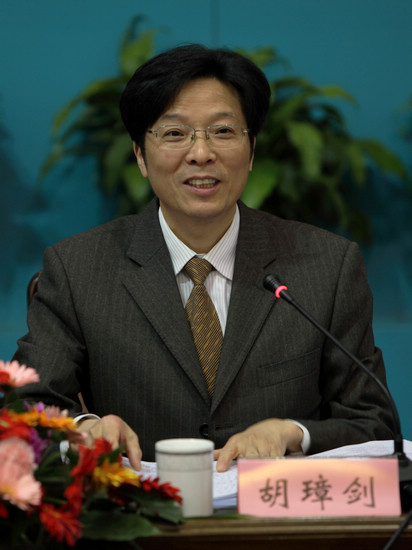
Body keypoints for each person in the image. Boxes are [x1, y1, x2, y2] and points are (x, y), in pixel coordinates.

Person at [14, 44, 394, 472]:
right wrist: (86, 428)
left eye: (223, 131)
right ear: (140, 155)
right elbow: (28, 405)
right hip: (141, 509)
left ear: (251, 151)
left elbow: (374, 424)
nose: (200, 153)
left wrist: (294, 433)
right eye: (175, 134)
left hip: (272, 510)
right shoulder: (79, 268)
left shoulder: (327, 266)